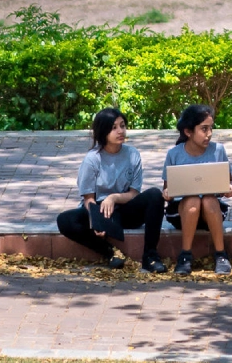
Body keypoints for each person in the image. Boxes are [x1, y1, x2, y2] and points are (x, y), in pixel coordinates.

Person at [55, 108, 168, 273]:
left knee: (155, 195)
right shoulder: (92, 159)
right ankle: (110, 253)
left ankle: (150, 256)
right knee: (65, 220)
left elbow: (134, 193)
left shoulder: (133, 154)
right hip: (99, 209)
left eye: (122, 126)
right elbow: (88, 199)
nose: (120, 131)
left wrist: (114, 198)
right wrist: (97, 221)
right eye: (114, 127)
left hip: (124, 208)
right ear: (103, 131)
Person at [163, 104, 232, 276]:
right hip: (182, 213)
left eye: (211, 128)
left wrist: (229, 189)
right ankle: (185, 255)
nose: (209, 134)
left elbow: (230, 183)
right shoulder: (174, 154)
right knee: (193, 199)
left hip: (211, 212)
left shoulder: (218, 150)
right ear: (188, 132)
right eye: (204, 129)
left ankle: (221, 254)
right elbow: (167, 190)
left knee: (209, 199)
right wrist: (167, 194)